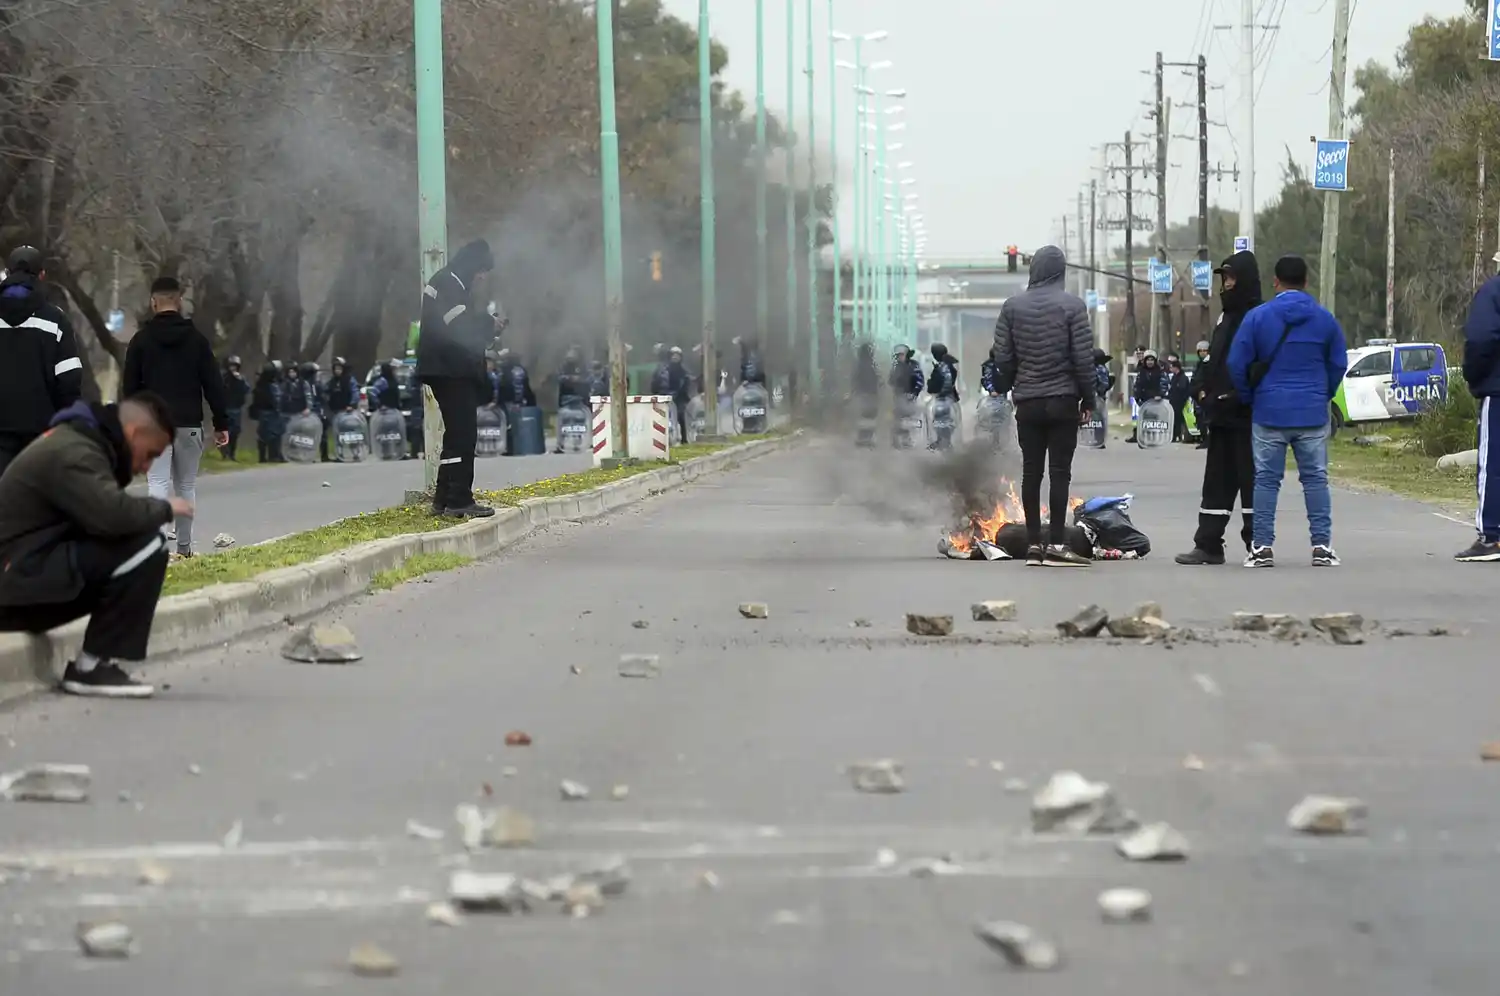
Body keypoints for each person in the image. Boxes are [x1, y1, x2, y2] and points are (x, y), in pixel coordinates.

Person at [0, 393, 189, 698]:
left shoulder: (83, 443)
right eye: (151, 454)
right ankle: (90, 668)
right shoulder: (74, 452)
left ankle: (96, 663)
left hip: (22, 574)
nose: (146, 467)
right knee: (149, 545)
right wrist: (165, 508)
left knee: (137, 543)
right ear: (134, 433)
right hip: (13, 585)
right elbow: (112, 516)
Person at [1227, 254, 1347, 569]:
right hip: (1311, 412)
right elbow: (1338, 364)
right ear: (1306, 282)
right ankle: (1321, 546)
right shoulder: (1325, 320)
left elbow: (1236, 363)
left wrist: (1250, 395)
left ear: (1276, 282)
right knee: (1315, 479)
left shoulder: (1257, 318)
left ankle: (1262, 548)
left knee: (1266, 480)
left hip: (1269, 411)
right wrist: (1324, 394)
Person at [992, 244, 1095, 567]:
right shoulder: (1073, 307)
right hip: (1064, 400)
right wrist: (1088, 398)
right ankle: (1058, 546)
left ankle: (1034, 545)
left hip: (1028, 402)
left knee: (1031, 472)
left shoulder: (1012, 308)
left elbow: (1003, 356)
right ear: (1060, 272)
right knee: (1060, 473)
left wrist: (1009, 384)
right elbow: (1083, 358)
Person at [120, 277, 229, 558]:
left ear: (153, 302)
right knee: (186, 486)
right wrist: (221, 422)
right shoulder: (197, 341)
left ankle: (156, 549)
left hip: (153, 424)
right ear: (179, 302)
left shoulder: (140, 341)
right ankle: (184, 548)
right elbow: (213, 385)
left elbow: (129, 388)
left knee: (157, 484)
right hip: (189, 423)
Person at [1176, 252, 1263, 566]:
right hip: (1220, 416)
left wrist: (1238, 394)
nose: (1226, 285)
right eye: (1223, 279)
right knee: (1216, 482)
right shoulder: (1224, 318)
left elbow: (1258, 365)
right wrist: (1199, 389)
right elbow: (1211, 360)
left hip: (1247, 416)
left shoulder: (1258, 316)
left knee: (1251, 482)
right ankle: (1209, 544)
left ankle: (1258, 544)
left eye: (1231, 279)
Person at [415, 238, 504, 518]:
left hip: (444, 367)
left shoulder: (446, 281)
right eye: (481, 272)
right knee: (463, 435)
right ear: (473, 266)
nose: (480, 279)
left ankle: (443, 499)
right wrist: (490, 325)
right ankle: (459, 499)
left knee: (456, 434)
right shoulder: (450, 285)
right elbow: (460, 329)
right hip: (450, 370)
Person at [0, 245, 83, 476]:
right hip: (42, 432)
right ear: (43, 275)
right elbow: (69, 380)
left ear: (7, 273)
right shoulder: (55, 320)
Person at [1457, 255, 1500, 562]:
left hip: (1499, 390)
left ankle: (1492, 536)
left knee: (1494, 464)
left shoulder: (1494, 291)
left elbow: (1482, 338)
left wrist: (1473, 375)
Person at [323, 357, 359, 461]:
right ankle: (340, 453)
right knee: (338, 433)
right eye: (335, 369)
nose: (337, 371)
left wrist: (352, 404)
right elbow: (325, 392)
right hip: (335, 411)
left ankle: (355, 452)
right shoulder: (331, 382)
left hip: (348, 410)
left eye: (339, 369)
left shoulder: (349, 379)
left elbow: (355, 392)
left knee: (351, 432)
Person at [250, 363, 285, 462]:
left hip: (269, 412)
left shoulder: (266, 384)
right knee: (269, 435)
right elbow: (272, 399)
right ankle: (270, 456)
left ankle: (273, 455)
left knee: (271, 434)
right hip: (268, 412)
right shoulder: (266, 386)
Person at [554, 346, 587, 453]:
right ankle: (560, 444)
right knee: (563, 422)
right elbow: (559, 379)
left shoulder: (582, 367)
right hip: (565, 399)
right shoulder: (563, 367)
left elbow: (586, 380)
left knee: (578, 422)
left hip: (578, 398)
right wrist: (571, 378)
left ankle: (577, 443)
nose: (570, 357)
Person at [221, 356, 250, 461]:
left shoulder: (240, 378)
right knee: (225, 431)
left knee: (235, 432)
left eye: (235, 366)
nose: (233, 368)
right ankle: (225, 453)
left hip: (236, 408)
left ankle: (232, 454)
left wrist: (239, 380)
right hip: (225, 408)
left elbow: (247, 389)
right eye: (231, 366)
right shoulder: (223, 377)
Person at [1189, 339, 1212, 449]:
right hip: (1197, 395)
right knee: (1199, 418)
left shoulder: (1210, 364)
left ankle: (1208, 440)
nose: (1203, 353)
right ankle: (1203, 438)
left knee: (1206, 418)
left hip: (1205, 395)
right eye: (1201, 351)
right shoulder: (1199, 365)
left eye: (1205, 350)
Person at [668, 346, 692, 443]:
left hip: (680, 398)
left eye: (677, 355)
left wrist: (681, 393)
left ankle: (684, 438)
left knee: (681, 417)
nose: (675, 357)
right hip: (668, 396)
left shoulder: (683, 371)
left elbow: (686, 384)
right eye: (673, 355)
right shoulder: (666, 369)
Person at [1166, 355, 1191, 443]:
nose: (1170, 369)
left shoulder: (1182, 378)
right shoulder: (1174, 377)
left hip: (1179, 402)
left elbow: (1182, 389)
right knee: (1174, 419)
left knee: (1178, 419)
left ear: (1176, 368)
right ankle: (1175, 435)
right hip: (1174, 401)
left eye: (1171, 367)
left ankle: (1178, 435)